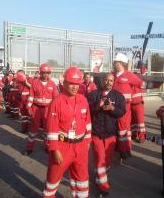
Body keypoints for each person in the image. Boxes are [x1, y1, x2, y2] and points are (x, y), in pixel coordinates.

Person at [42, 67, 91, 198]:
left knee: (82, 179)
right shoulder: (56, 102)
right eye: (71, 83)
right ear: (64, 83)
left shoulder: (83, 100)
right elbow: (51, 128)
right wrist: (54, 149)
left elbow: (88, 123)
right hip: (62, 146)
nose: (74, 87)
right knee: (53, 178)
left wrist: (87, 142)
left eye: (77, 84)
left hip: (80, 147)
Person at [87, 73, 125, 197]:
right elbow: (88, 111)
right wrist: (99, 106)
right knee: (100, 159)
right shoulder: (93, 94)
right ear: (102, 81)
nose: (109, 82)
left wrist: (112, 108)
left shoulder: (118, 96)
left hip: (111, 134)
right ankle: (104, 187)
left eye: (111, 80)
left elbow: (121, 112)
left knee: (107, 162)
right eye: (107, 80)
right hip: (96, 133)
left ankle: (99, 179)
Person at [112, 52, 143, 159]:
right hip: (113, 106)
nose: (113, 63)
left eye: (115, 62)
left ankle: (125, 150)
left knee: (123, 127)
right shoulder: (113, 75)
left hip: (125, 107)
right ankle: (116, 148)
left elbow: (141, 83)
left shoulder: (129, 75)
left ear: (121, 63)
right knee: (115, 127)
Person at [24, 63, 58, 154]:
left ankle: (48, 146)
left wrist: (55, 111)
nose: (45, 75)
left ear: (49, 73)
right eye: (43, 73)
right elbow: (31, 96)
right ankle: (29, 147)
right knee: (33, 129)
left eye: (47, 73)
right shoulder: (35, 83)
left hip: (48, 109)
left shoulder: (52, 84)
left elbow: (55, 99)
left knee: (48, 129)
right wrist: (29, 107)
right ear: (40, 73)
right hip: (36, 108)